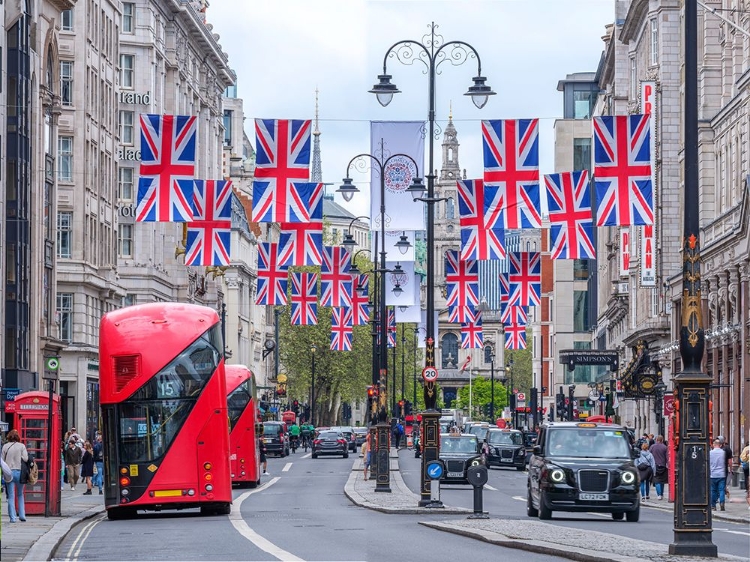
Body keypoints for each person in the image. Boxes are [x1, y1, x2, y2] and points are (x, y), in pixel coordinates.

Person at [2, 429, 29, 522]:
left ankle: (13, 518)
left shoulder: (5, 446)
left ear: (9, 437)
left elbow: (1, 460)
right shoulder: (22, 446)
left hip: (9, 473)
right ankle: (22, 515)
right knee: (20, 494)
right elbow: (25, 459)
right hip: (19, 472)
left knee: (10, 496)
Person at [710, 437, 727, 510]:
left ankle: (713, 506)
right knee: (721, 490)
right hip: (722, 474)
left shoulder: (710, 453)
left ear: (714, 445)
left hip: (713, 474)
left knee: (713, 490)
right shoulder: (723, 452)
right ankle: (722, 503)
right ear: (720, 445)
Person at [649, 435, 669, 500]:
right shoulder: (665, 447)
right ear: (662, 440)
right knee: (662, 481)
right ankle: (662, 494)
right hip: (663, 465)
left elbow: (649, 455)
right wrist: (668, 464)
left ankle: (659, 495)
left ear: (656, 439)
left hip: (655, 465)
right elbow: (667, 457)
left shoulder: (652, 447)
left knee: (656, 480)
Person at [717, 436, 733, 500]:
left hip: (716, 470)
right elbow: (730, 461)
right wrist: (731, 469)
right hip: (724, 469)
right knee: (722, 484)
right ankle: (722, 500)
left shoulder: (715, 449)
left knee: (716, 485)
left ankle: (717, 498)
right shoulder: (727, 448)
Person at [739, 442, 749, 509]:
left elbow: (742, 459)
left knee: (747, 478)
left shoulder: (746, 448)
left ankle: (747, 488)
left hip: (748, 466)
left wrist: (746, 454)